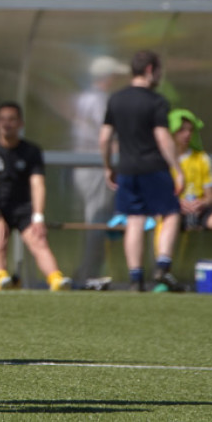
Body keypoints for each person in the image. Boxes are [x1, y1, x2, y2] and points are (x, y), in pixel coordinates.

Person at [99, 50, 185, 292]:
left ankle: (136, 279)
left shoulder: (115, 99)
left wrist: (108, 167)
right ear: (149, 70)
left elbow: (104, 138)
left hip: (126, 169)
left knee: (134, 220)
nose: (160, 76)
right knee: (171, 212)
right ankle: (162, 267)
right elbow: (163, 138)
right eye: (159, 71)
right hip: (153, 168)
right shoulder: (157, 101)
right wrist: (177, 169)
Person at [0, 102, 71, 291]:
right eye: (2, 119)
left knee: (38, 239)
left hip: (23, 207)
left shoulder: (31, 151)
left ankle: (55, 279)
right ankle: (0, 278)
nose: (6, 124)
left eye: (11, 119)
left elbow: (37, 185)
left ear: (20, 123)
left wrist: (38, 217)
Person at [72, 55, 129, 286]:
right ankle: (88, 275)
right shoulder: (99, 100)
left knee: (98, 218)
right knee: (96, 220)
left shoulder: (86, 97)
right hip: (94, 166)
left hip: (87, 165)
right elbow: (104, 136)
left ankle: (87, 272)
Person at [162, 108, 212, 271]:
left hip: (199, 211)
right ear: (171, 131)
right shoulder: (161, 160)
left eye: (190, 130)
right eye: (182, 130)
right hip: (172, 210)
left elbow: (211, 197)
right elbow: (155, 195)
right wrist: (177, 203)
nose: (187, 135)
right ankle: (162, 275)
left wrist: (201, 203)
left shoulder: (202, 158)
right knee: (162, 221)